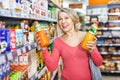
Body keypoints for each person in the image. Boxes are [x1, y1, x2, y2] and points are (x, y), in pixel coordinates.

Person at [41, 8, 103, 80]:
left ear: (73, 20)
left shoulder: (86, 37)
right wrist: (44, 49)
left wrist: (93, 50)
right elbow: (52, 67)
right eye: (60, 19)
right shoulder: (58, 41)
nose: (63, 21)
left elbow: (98, 62)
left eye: (66, 18)